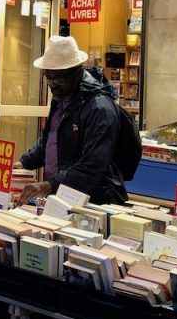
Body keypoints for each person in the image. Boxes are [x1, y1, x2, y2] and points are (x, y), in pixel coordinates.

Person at [14, 36, 128, 206]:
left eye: (59, 78)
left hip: (95, 200)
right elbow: (52, 138)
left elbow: (93, 164)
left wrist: (49, 185)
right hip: (63, 196)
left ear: (77, 72)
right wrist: (24, 162)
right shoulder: (62, 98)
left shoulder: (99, 108)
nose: (53, 85)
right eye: (48, 77)